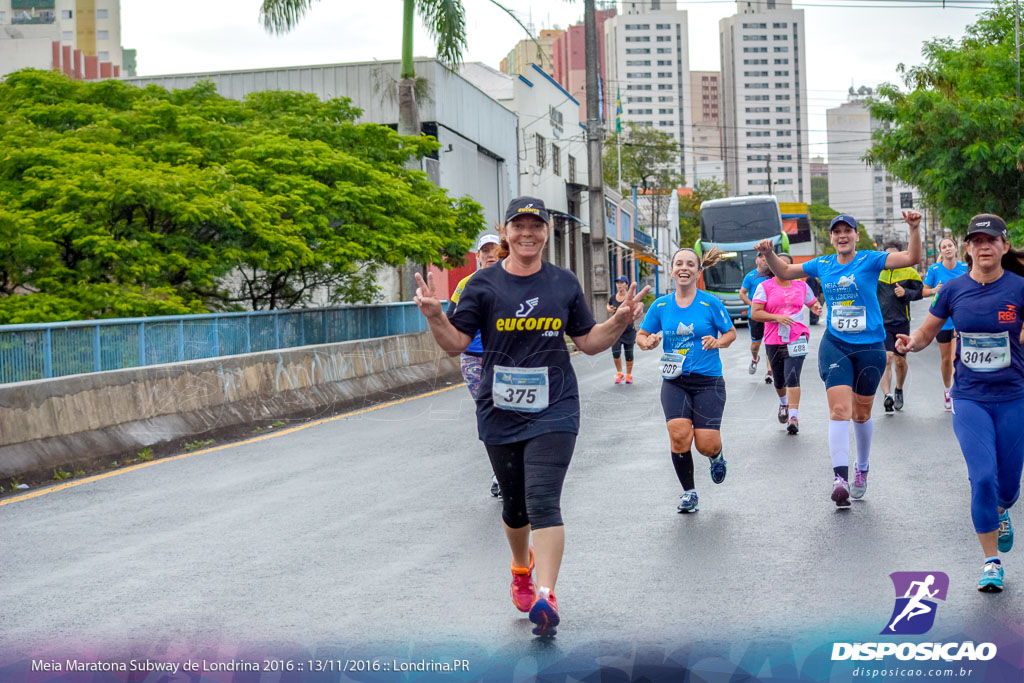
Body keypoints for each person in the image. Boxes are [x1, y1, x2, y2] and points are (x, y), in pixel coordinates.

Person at [414, 196, 649, 635]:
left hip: (555, 405)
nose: (527, 233)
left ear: (545, 233)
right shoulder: (482, 285)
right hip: (499, 408)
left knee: (544, 500)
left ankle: (546, 594)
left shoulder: (563, 283)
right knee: (516, 505)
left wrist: (619, 320)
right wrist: (433, 316)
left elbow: (589, 342)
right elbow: (456, 342)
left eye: (535, 226)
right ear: (505, 232)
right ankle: (521, 567)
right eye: (518, 225)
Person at [756, 211, 922, 508]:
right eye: (837, 232)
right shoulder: (823, 264)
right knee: (839, 410)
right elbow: (784, 271)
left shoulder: (870, 260)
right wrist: (768, 254)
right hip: (836, 346)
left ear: (857, 236)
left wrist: (914, 228)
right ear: (831, 238)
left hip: (870, 346)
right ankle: (840, 479)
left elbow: (911, 257)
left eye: (848, 231)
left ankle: (862, 467)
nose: (842, 235)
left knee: (860, 414)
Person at [897, 214, 1024, 593]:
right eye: (976, 240)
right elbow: (926, 332)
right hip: (969, 397)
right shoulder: (952, 290)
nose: (984, 246)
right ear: (967, 248)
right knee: (982, 477)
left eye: (991, 240)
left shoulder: (1019, 288)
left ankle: (1002, 511)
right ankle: (991, 562)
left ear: (1004, 246)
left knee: (1008, 488)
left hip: (1013, 396)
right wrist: (911, 344)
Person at [636, 247, 736, 514]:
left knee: (706, 444)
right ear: (671, 270)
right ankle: (689, 493)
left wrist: (719, 341)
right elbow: (642, 335)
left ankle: (717, 456)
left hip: (708, 381)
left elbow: (731, 333)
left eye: (690, 264)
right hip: (674, 381)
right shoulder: (661, 305)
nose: (684, 268)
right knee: (679, 436)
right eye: (678, 263)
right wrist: (649, 342)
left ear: (698, 271)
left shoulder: (710, 303)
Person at [448, 232, 502, 497]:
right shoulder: (465, 284)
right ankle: (500, 472)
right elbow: (451, 319)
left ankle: (515, 468)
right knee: (489, 411)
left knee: (510, 410)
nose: (491, 255)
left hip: (505, 357)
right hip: (473, 358)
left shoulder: (513, 280)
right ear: (478, 256)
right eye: (485, 251)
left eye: (496, 249)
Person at [750, 252, 823, 435]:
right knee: (779, 380)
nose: (783, 269)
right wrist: (776, 317)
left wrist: (817, 307)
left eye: (787, 266)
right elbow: (755, 313)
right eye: (778, 265)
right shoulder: (764, 287)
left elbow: (812, 303)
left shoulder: (802, 286)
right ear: (772, 267)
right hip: (774, 338)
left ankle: (794, 417)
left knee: (792, 376)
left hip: (798, 336)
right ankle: (783, 404)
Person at [877, 240, 924, 413]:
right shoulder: (877, 273)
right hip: (882, 324)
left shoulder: (909, 272)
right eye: (888, 255)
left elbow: (921, 292)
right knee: (887, 358)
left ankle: (898, 389)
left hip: (902, 322)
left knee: (900, 361)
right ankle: (887, 395)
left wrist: (906, 293)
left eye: (894, 254)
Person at [922, 238, 969, 410]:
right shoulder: (934, 269)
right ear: (940, 251)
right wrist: (934, 291)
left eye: (950, 246)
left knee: (956, 356)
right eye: (944, 247)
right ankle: (947, 389)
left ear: (956, 249)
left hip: (960, 319)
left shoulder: (965, 268)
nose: (947, 249)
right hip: (942, 320)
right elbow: (924, 291)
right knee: (946, 359)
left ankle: (957, 391)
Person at [739, 252, 774, 384]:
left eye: (766, 258)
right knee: (756, 344)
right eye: (761, 258)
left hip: (770, 315)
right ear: (757, 260)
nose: (764, 260)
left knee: (770, 343)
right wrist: (753, 305)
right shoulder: (751, 276)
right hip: (755, 315)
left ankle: (770, 371)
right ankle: (755, 358)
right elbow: (742, 294)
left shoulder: (773, 275)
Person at [607, 275, 638, 384]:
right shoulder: (613, 297)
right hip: (616, 331)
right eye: (617, 282)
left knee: (629, 354)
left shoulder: (630, 298)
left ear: (626, 284)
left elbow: (636, 306)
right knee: (616, 353)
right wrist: (608, 308)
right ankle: (619, 374)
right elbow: (609, 304)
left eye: (621, 282)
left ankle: (629, 375)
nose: (619, 285)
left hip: (628, 330)